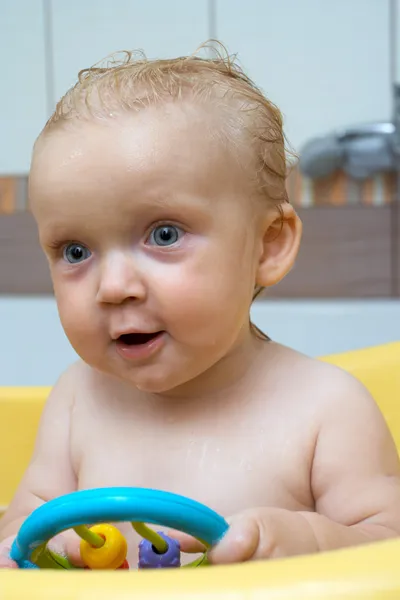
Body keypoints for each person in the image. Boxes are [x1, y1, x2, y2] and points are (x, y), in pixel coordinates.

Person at [1, 43, 400, 569]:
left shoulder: (326, 409)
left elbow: (388, 538)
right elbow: (20, 521)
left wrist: (311, 538)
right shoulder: (77, 400)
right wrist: (47, 543)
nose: (113, 286)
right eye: (76, 251)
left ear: (268, 245)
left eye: (164, 234)